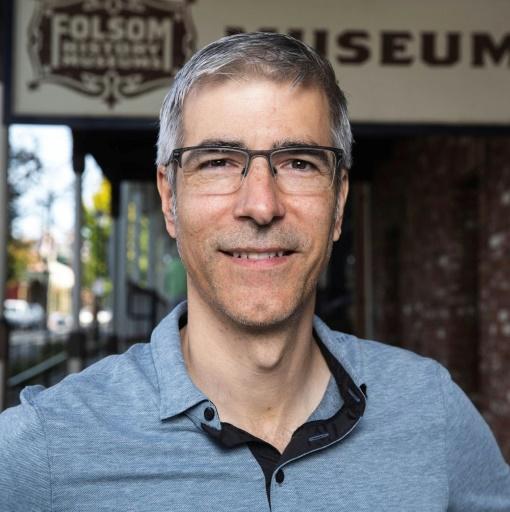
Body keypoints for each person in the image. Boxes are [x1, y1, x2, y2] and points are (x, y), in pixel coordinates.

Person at [1, 32, 509, 511]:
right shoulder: (44, 448)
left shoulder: (431, 410)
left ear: (339, 203)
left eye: (299, 163)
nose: (262, 205)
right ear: (170, 199)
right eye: (219, 162)